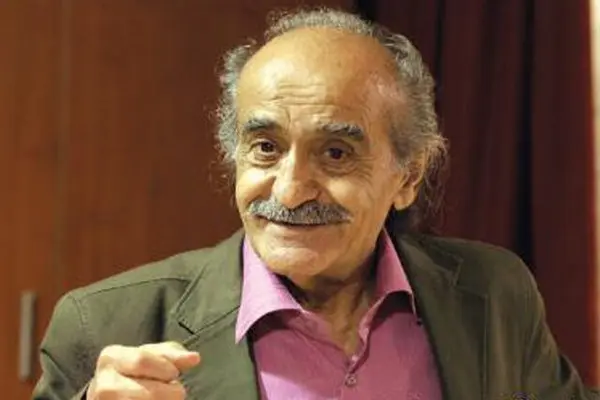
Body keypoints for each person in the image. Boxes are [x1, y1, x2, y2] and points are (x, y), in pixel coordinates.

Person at [33, 7, 599, 400]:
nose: (288, 191)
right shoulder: (108, 324)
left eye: (335, 153)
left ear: (408, 175)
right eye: (265, 147)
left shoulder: (492, 293)